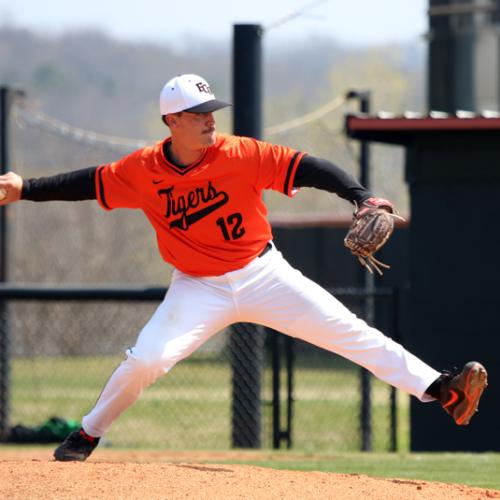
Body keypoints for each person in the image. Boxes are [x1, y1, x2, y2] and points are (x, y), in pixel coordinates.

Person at [0, 74, 488, 462]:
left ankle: (440, 389)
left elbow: (308, 166)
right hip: (197, 288)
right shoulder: (143, 169)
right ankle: (88, 433)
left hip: (264, 275)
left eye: (212, 111)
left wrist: (360, 196)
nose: (210, 121)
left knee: (351, 333)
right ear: (171, 120)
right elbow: (89, 182)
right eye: (198, 114)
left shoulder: (241, 153)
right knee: (147, 360)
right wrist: (25, 188)